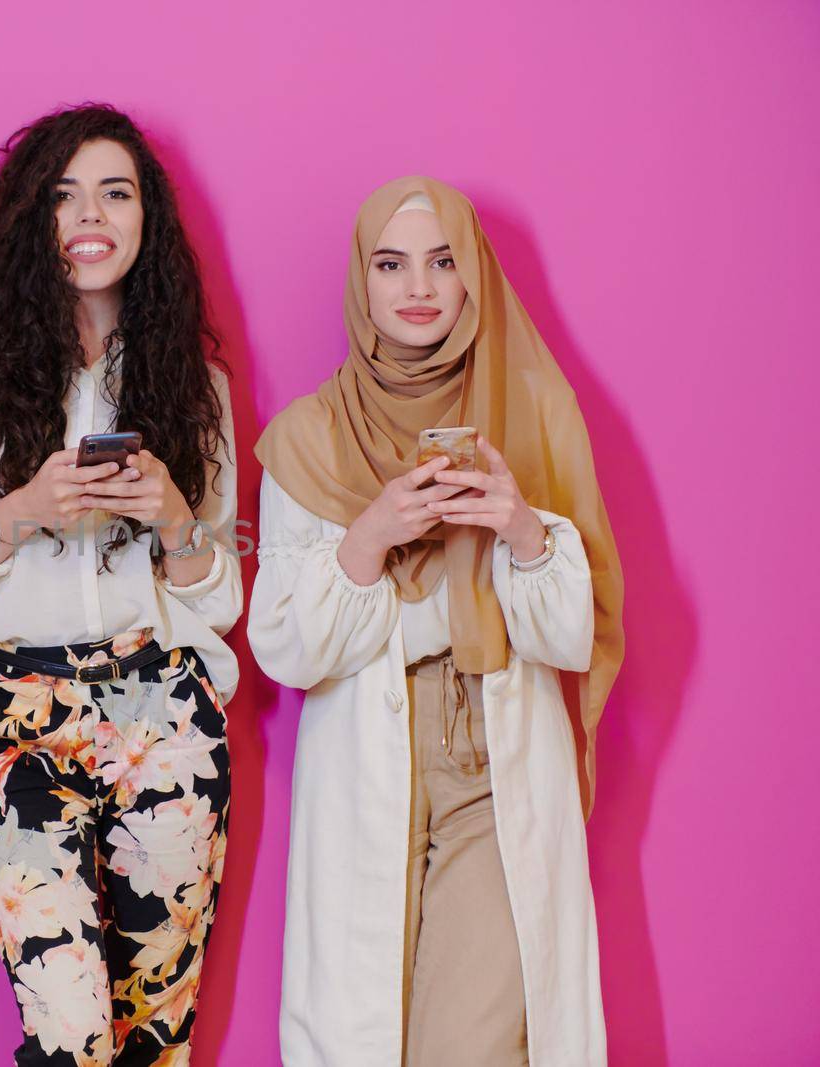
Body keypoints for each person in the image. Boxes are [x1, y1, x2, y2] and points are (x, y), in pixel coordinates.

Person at [0, 105, 241, 1066]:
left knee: (156, 1036)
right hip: (14, 703)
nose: (91, 214)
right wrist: (28, 506)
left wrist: (172, 508)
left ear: (147, 218)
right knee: (71, 1034)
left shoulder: (193, 380)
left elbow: (219, 595)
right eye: (64, 195)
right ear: (30, 219)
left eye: (115, 193)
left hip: (162, 699)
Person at [249, 176, 623, 1065]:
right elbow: (285, 648)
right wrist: (376, 530)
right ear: (362, 281)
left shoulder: (529, 411)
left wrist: (520, 527)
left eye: (442, 261)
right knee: (364, 1039)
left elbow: (574, 632)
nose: (417, 286)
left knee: (471, 1044)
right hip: (366, 757)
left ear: (470, 281)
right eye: (392, 263)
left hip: (492, 759)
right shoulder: (308, 437)